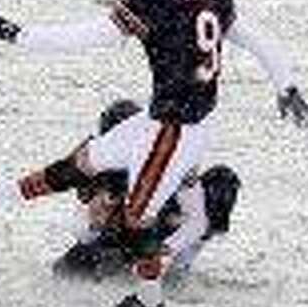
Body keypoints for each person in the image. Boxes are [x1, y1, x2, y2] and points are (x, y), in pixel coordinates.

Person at [0, 0, 308, 307]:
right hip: (167, 117)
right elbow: (255, 40)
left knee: (138, 215)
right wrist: (285, 85)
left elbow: (83, 38)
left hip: (177, 127)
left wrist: (22, 36)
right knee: (84, 162)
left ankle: (149, 298)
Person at [52, 98, 242, 283]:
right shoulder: (93, 164)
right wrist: (100, 218)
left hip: (165, 226)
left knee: (221, 181)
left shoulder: (171, 157)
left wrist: (170, 248)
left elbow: (195, 217)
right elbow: (85, 226)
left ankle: (176, 266)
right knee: (68, 268)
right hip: (118, 235)